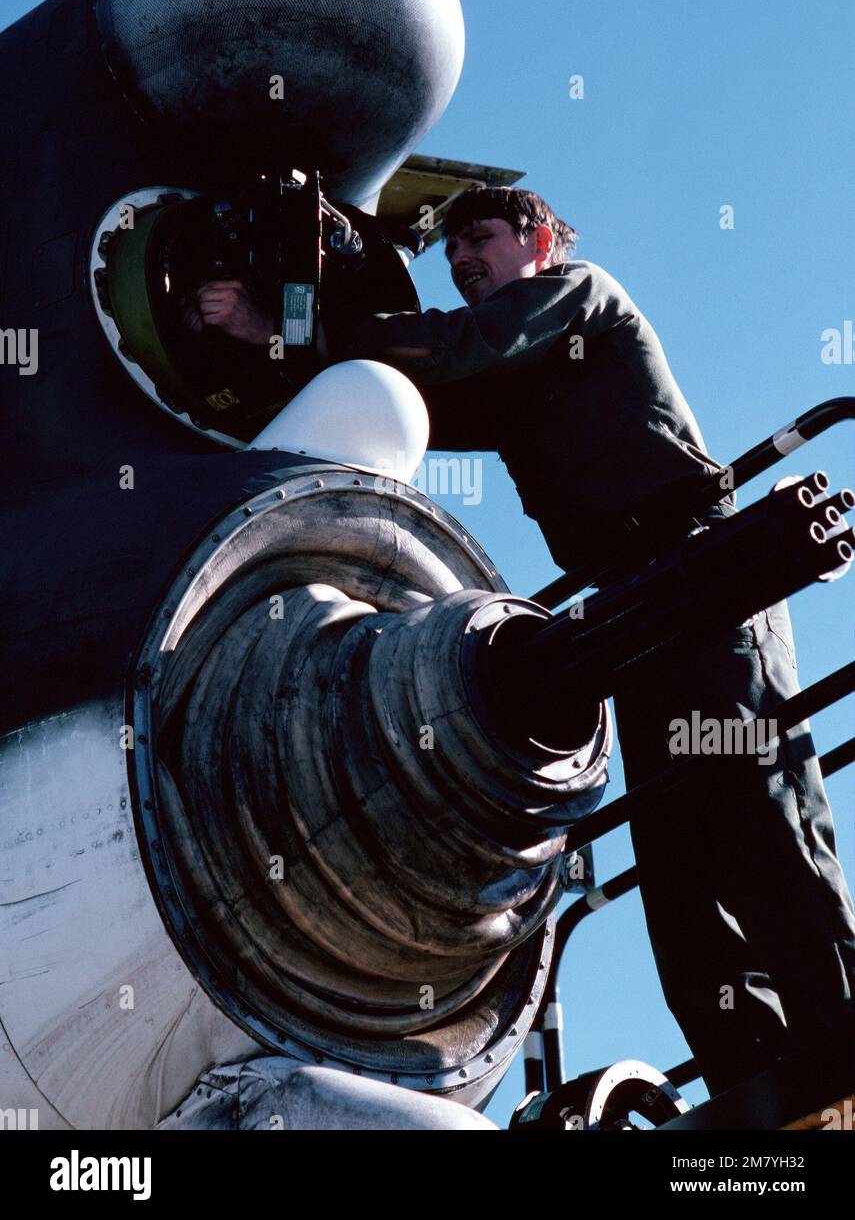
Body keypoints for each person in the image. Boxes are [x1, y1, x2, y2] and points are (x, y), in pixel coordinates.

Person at [188, 187, 855, 1098]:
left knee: (755, 809)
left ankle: (841, 1042)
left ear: (538, 241)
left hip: (705, 576)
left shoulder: (580, 295)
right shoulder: (507, 378)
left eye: (481, 238)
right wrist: (271, 341)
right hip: (635, 607)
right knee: (672, 851)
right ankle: (753, 1079)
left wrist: (292, 322)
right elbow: (403, 392)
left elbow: (443, 349)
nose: (462, 258)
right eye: (453, 247)